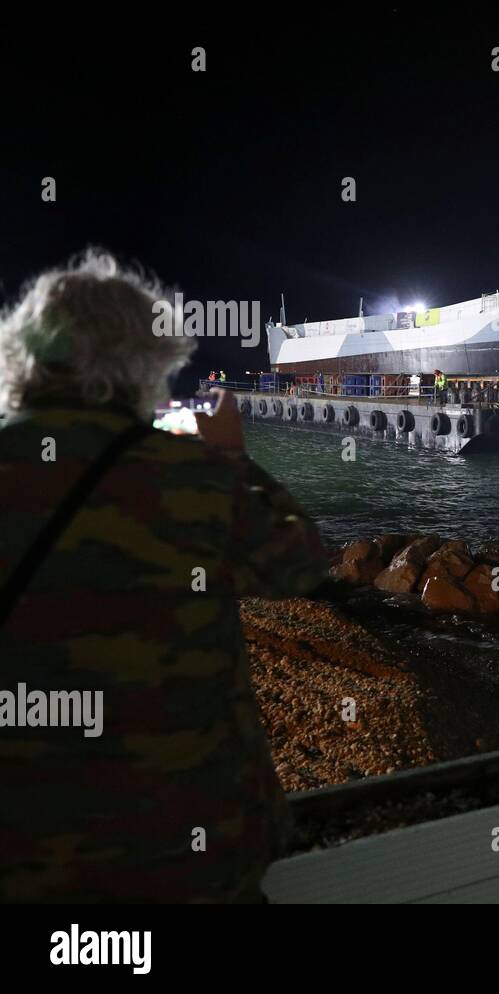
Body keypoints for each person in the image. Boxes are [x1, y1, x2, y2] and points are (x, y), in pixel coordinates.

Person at [0, 251, 328, 902]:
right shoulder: (191, 476)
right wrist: (234, 457)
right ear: (147, 361)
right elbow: (300, 564)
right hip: (188, 854)